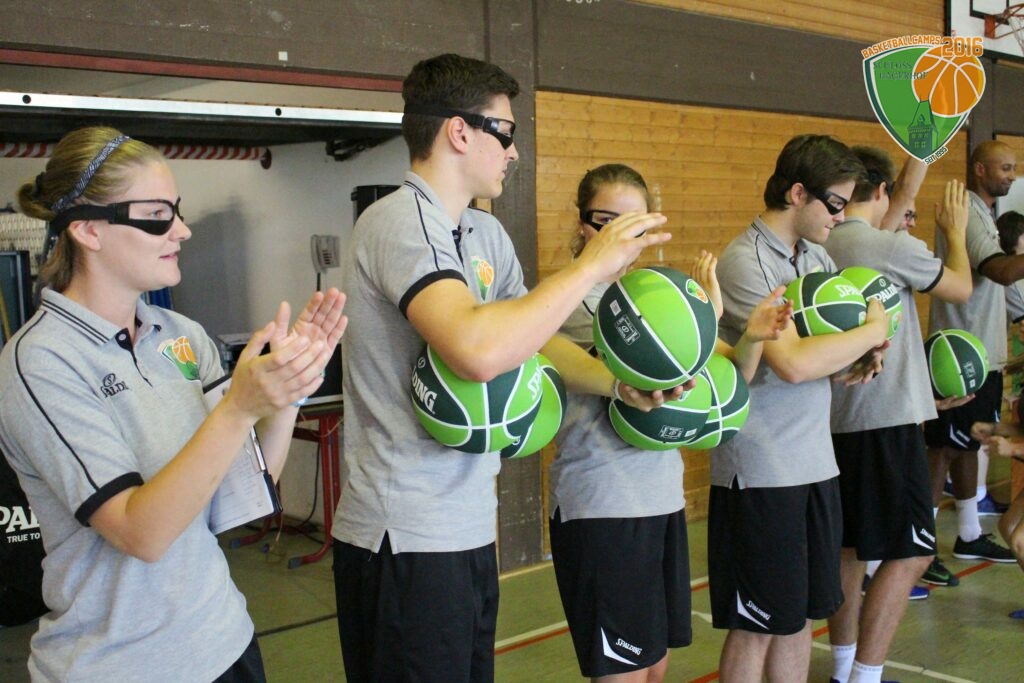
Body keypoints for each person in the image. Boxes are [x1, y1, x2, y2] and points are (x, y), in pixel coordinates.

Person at [329, 54, 672, 683]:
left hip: (465, 523)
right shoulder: (400, 221)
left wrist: (617, 383)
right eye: (505, 133)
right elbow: (477, 350)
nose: (513, 152)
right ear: (460, 132)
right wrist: (588, 268)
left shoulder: (483, 233)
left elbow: (534, 341)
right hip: (404, 532)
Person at [0, 126, 348, 682]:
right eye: (158, 215)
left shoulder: (179, 334)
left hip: (225, 642)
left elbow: (239, 497)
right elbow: (140, 533)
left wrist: (287, 392)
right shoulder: (40, 362)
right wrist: (238, 407)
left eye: (177, 211)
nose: (181, 229)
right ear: (88, 229)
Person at [548, 163, 791, 682]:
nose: (620, 236)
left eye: (634, 225)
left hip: (661, 500)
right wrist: (701, 329)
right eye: (606, 221)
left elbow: (729, 383)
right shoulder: (565, 298)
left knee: (656, 665)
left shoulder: (655, 297)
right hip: (602, 505)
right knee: (624, 671)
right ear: (582, 224)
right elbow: (611, 370)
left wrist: (747, 333)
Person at [709, 134, 889, 682]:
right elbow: (789, 363)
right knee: (758, 625)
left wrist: (860, 357)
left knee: (799, 620)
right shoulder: (745, 263)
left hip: (814, 464)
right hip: (761, 472)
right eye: (834, 203)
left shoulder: (816, 257)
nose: (841, 216)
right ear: (796, 193)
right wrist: (871, 332)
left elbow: (821, 355)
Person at [822, 146, 973, 683]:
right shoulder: (886, 246)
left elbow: (891, 209)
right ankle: (866, 675)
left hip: (834, 422)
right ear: (882, 193)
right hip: (885, 422)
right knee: (912, 553)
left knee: (850, 550)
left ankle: (843, 669)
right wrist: (955, 233)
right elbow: (961, 287)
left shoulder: (827, 241)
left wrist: (917, 159)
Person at [925, 140, 1021, 581]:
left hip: (985, 357)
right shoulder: (966, 211)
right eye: (1004, 168)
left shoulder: (984, 214)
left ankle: (967, 533)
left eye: (1014, 168)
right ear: (979, 169)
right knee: (942, 450)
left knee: (968, 445)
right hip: (960, 358)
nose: (1011, 176)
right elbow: (999, 269)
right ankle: (921, 547)